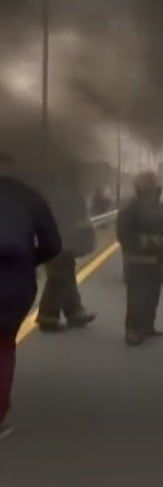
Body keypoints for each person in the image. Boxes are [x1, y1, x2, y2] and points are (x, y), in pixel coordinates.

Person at [0, 152, 62, 437]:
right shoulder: (29, 197)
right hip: (14, 282)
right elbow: (52, 244)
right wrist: (27, 261)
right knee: (3, 347)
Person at [116, 172, 163, 346]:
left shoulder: (161, 208)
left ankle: (147, 326)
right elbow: (125, 236)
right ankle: (133, 330)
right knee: (137, 297)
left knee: (152, 295)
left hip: (156, 260)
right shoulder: (130, 209)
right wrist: (154, 242)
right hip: (137, 261)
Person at [35, 162, 96, 332]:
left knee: (66, 275)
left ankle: (75, 312)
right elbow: (68, 219)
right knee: (59, 278)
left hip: (61, 241)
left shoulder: (61, 190)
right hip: (57, 242)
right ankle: (48, 318)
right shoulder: (62, 193)